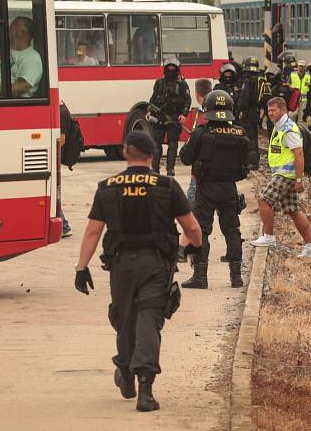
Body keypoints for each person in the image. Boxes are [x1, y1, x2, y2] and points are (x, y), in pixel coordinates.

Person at [75, 130, 202, 412]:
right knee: (148, 318)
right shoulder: (166, 185)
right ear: (152, 155)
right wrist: (194, 247)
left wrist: (81, 267)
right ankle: (145, 390)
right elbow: (191, 227)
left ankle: (126, 372)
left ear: (124, 152)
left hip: (121, 265)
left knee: (124, 318)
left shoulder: (107, 186)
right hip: (155, 264)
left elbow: (93, 230)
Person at [179, 90, 249, 288]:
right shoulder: (240, 133)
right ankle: (236, 277)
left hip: (206, 187)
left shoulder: (201, 133)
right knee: (232, 231)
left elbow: (185, 157)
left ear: (207, 110)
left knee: (202, 230)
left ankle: (200, 276)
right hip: (229, 189)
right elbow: (248, 163)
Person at [250, 97, 311, 259]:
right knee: (293, 210)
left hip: (286, 174)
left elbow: (299, 154)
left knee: (263, 198)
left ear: (283, 109)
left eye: (274, 110)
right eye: (269, 110)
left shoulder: (289, 129)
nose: (270, 113)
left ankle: (268, 237)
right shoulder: (279, 126)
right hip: (283, 173)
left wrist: (299, 179)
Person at [178, 78, 214, 262]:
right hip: (208, 173)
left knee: (190, 212)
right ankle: (186, 247)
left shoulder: (204, 115)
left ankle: (184, 249)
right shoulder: (214, 112)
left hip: (199, 174)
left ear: (197, 95)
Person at [148, 58, 192, 176]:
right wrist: (149, 111)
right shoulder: (159, 83)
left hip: (174, 118)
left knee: (173, 145)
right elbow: (152, 100)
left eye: (173, 68)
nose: (171, 70)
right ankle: (155, 168)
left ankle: (170, 169)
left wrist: (183, 114)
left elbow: (187, 100)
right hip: (159, 117)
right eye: (169, 68)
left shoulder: (182, 84)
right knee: (156, 143)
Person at [9, 16, 44, 98]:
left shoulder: (32, 58)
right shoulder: (1, 49)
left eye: (12, 28)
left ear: (23, 33)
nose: (9, 31)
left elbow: (23, 86)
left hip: (12, 102)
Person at [239, 56, 263, 169]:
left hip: (247, 114)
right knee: (254, 137)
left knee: (249, 138)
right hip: (256, 112)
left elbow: (244, 99)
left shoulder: (247, 81)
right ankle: (254, 161)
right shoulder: (259, 79)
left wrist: (239, 109)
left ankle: (251, 162)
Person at [59, 102, 74, 238]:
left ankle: (64, 225)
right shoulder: (60, 108)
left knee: (53, 192)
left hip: (55, 156)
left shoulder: (61, 111)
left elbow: (62, 139)